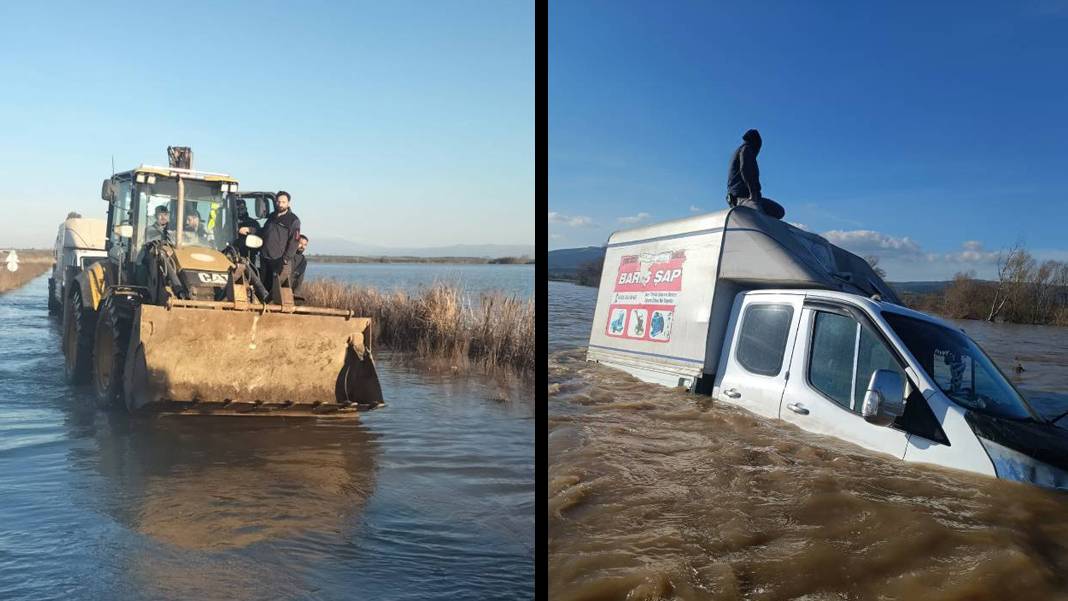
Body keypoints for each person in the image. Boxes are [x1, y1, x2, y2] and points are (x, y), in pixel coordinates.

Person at [726, 129, 785, 219]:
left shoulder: (739, 151)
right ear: (756, 143)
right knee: (778, 211)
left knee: (776, 210)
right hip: (744, 198)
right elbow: (746, 170)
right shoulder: (746, 149)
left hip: (736, 198)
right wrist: (753, 193)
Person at [259, 190, 301, 296]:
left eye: (283, 202)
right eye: (278, 202)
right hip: (264, 258)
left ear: (288, 203)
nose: (280, 204)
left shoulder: (293, 220)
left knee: (278, 291)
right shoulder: (271, 217)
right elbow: (264, 232)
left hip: (279, 260)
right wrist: (252, 230)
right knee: (263, 289)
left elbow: (294, 241)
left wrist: (285, 259)